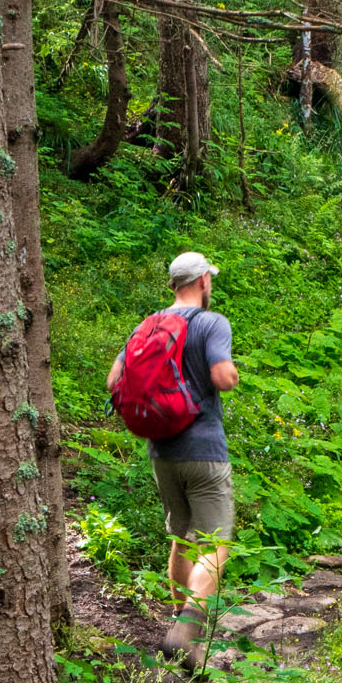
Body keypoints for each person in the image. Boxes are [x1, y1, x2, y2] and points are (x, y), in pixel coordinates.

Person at [108, 251, 239, 661]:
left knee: (182, 536)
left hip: (162, 450)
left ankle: (185, 637)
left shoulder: (147, 325)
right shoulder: (211, 323)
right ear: (203, 281)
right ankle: (186, 630)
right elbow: (222, 377)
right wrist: (232, 374)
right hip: (204, 450)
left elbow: (114, 379)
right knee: (216, 543)